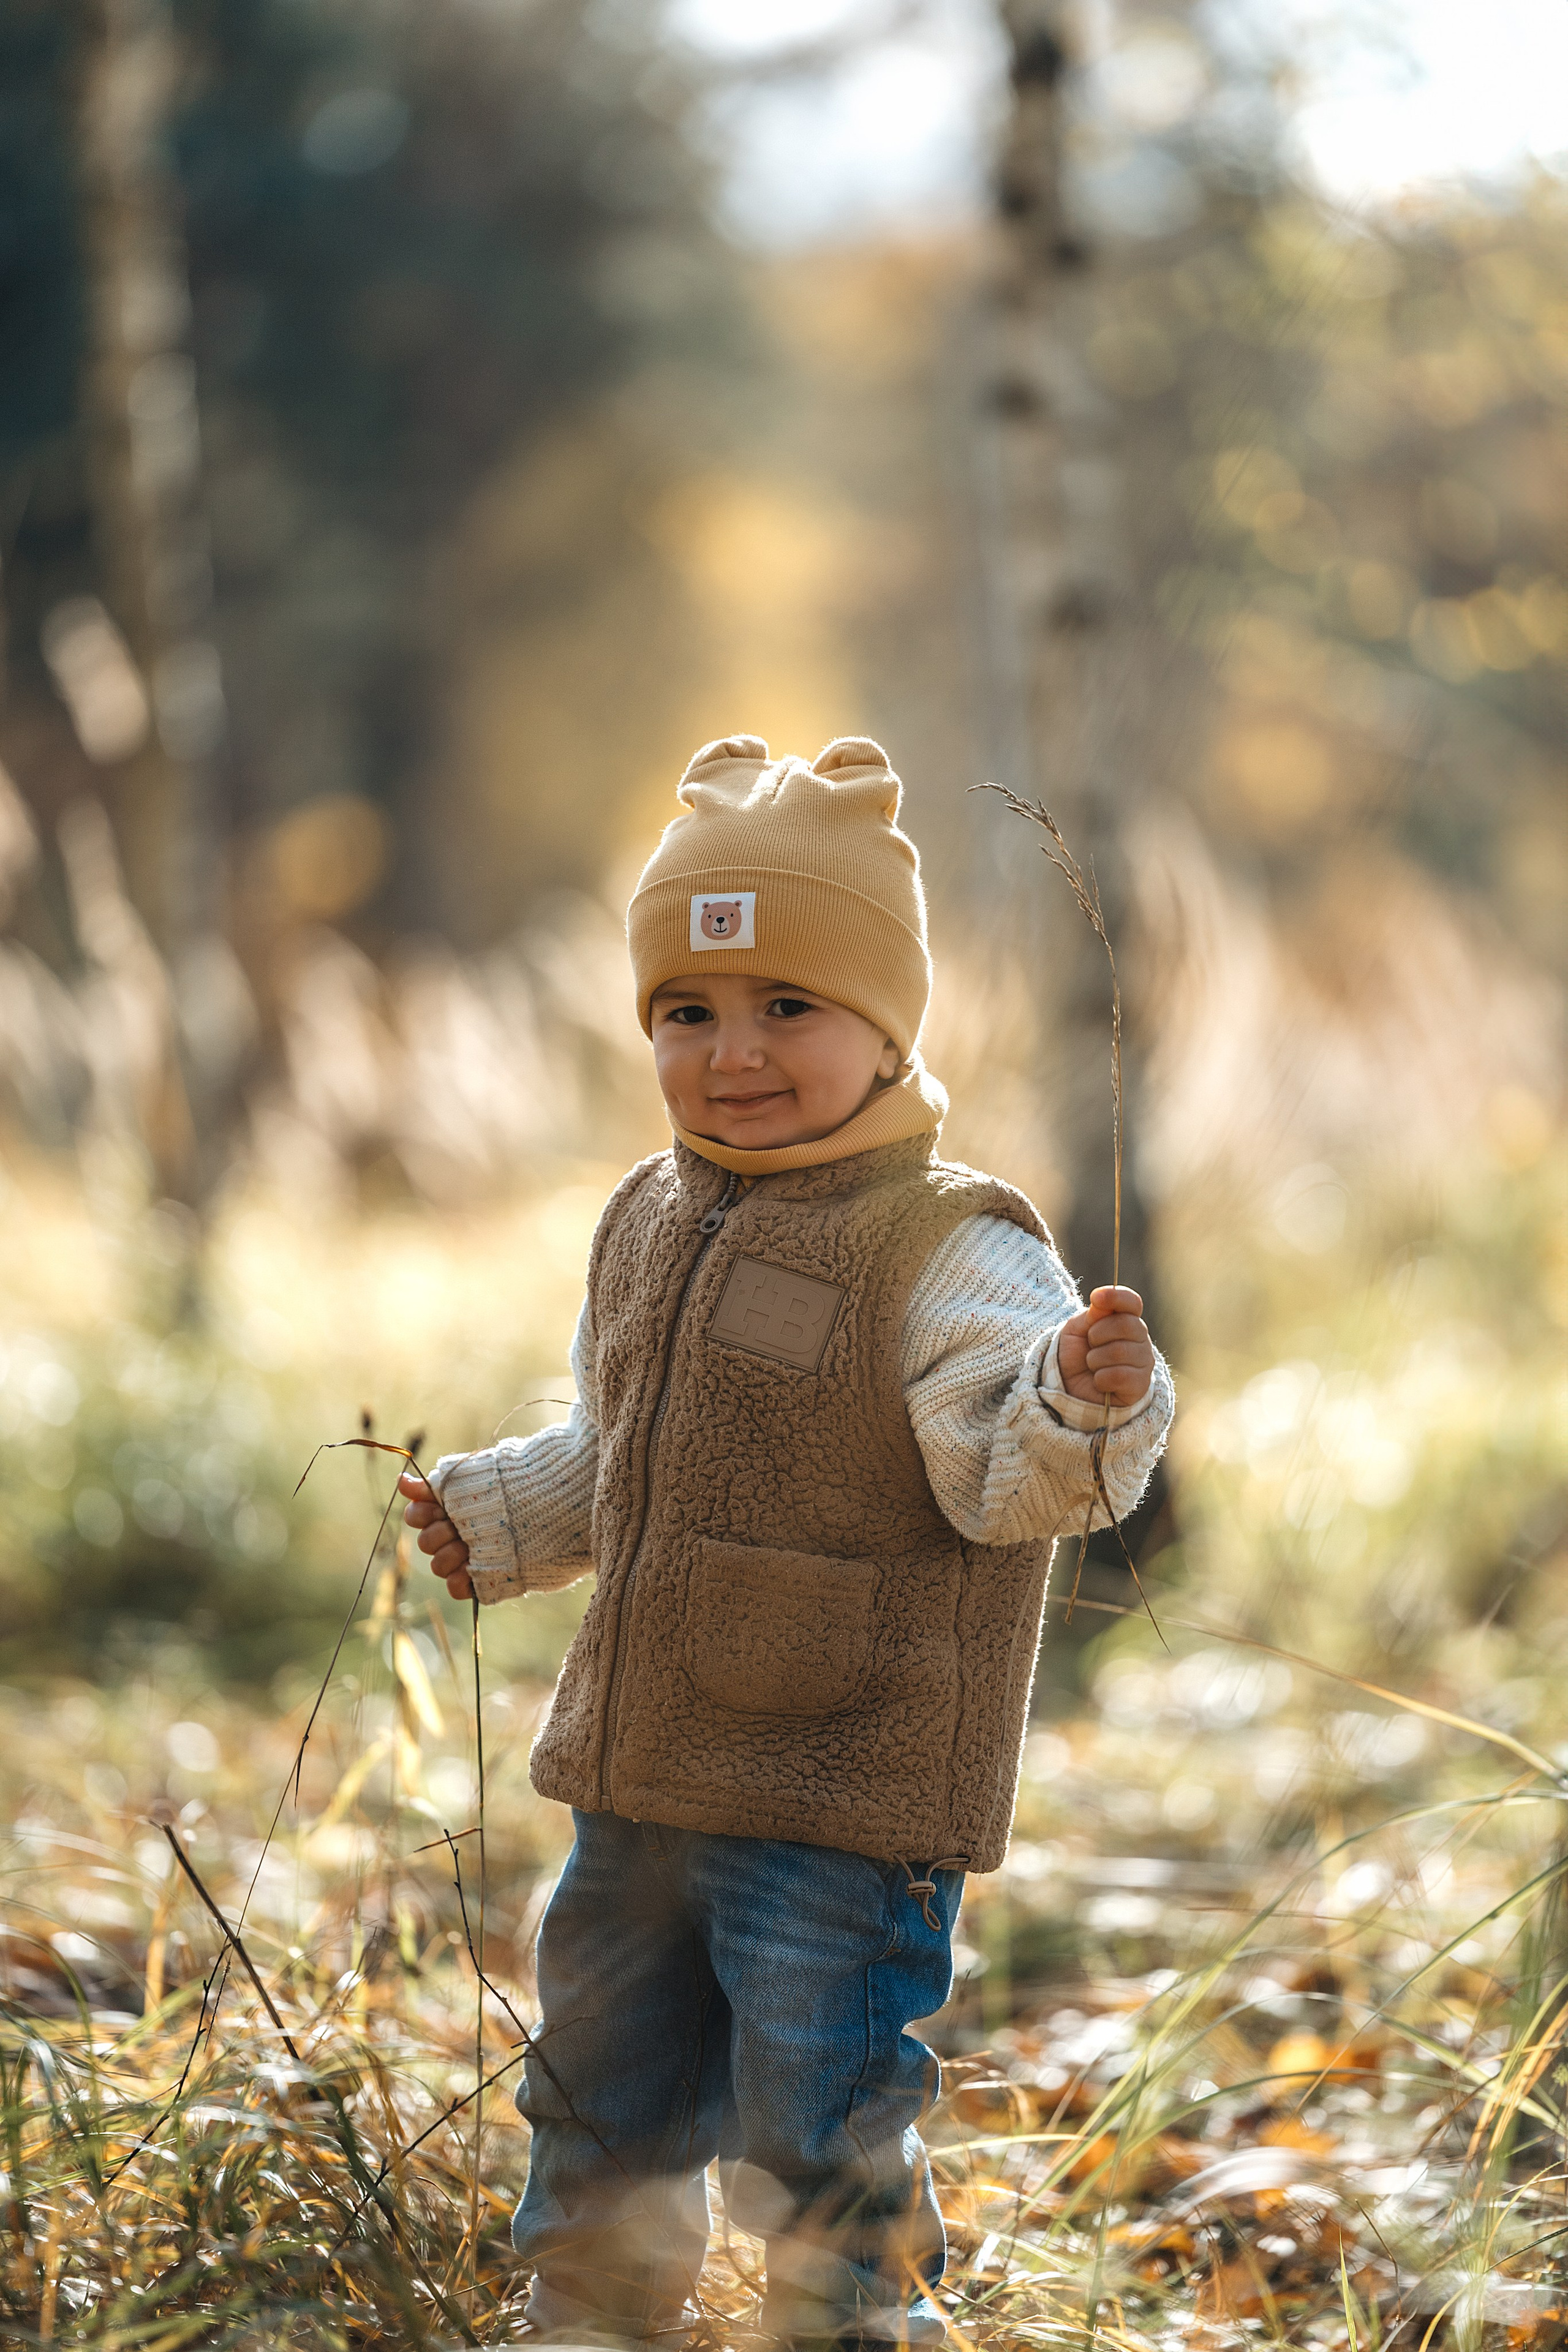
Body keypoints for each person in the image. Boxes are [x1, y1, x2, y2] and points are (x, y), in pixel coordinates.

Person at [399, 734, 1174, 2348]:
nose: (732, 1055)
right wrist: (502, 1517)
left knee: (820, 2120)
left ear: (888, 1026)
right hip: (644, 1777)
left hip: (841, 1797)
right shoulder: (655, 1212)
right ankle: (592, 2313)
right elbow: (626, 1458)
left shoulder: (947, 1242)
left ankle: (849, 2324)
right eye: (689, 1013)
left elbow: (1006, 1466)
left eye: (788, 1010)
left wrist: (1087, 1402)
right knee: (601, 2079)